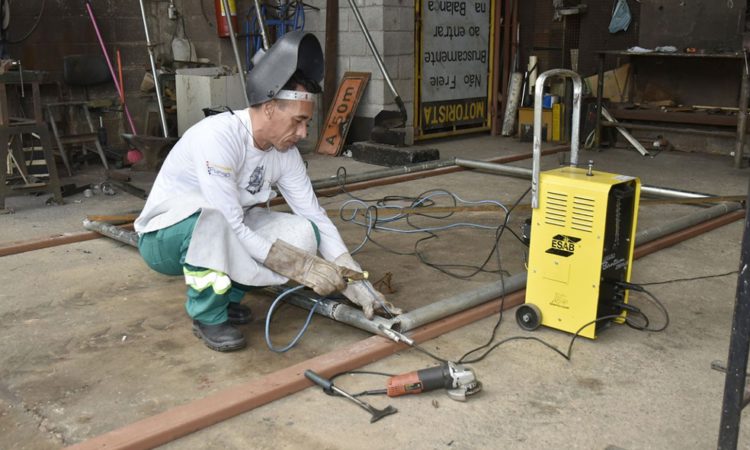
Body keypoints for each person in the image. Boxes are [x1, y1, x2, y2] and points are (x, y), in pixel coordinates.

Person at [134, 31, 400, 352]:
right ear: (271, 108)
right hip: (166, 235)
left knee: (304, 233)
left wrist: (358, 283)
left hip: (224, 228)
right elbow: (230, 224)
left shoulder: (284, 154)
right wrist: (299, 267)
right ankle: (208, 316)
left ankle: (228, 296)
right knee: (219, 220)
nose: (302, 133)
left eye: (306, 123)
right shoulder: (219, 137)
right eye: (298, 121)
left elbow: (313, 214)